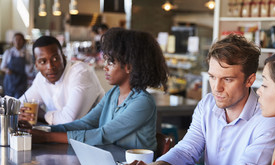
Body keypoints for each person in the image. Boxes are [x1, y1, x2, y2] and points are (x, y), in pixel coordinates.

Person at [123, 34, 275, 165]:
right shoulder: (208, 104)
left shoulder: (269, 118)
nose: (217, 88)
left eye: (227, 79)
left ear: (250, 80)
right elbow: (186, 150)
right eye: (212, 77)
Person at [26, 28, 168, 151]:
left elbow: (103, 135)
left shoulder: (143, 103)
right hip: (114, 163)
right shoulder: (113, 94)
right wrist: (40, 130)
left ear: (129, 66)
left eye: (111, 62)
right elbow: (85, 124)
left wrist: (46, 137)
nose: (105, 67)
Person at [18, 36, 105, 125]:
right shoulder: (41, 79)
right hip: (67, 135)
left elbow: (70, 120)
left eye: (55, 59)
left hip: (95, 134)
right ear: (36, 65)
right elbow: (19, 104)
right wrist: (22, 113)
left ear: (63, 58)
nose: (50, 67)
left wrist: (42, 115)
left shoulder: (80, 73)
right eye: (43, 62)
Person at [1, 32, 33, 98]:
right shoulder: (8, 52)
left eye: (20, 40)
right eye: (16, 39)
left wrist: (30, 70)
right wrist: (7, 70)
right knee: (8, 101)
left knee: (19, 101)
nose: (18, 42)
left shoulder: (27, 54)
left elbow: (30, 68)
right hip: (10, 82)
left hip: (21, 82)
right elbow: (2, 67)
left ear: (23, 41)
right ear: (13, 41)